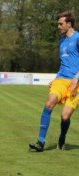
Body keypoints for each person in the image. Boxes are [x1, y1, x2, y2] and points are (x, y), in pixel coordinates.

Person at [29, 11, 79, 152]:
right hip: (61, 80)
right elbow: (64, 63)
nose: (58, 26)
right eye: (58, 24)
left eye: (60, 24)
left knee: (65, 116)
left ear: (69, 24)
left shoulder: (78, 38)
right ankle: (41, 142)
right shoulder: (61, 41)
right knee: (49, 103)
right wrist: (56, 78)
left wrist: (76, 77)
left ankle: (62, 137)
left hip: (76, 83)